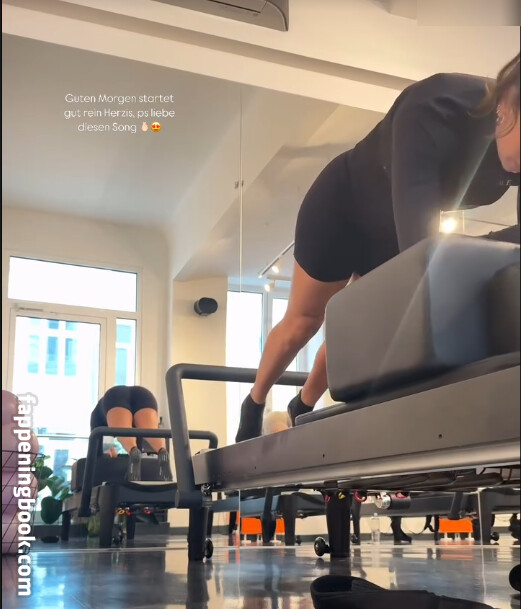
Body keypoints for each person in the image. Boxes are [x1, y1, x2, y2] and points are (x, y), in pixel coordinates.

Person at [235, 53, 520, 443]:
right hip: (342, 206)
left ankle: (302, 405)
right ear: (506, 103)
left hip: (392, 229)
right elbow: (422, 255)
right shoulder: (434, 105)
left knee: (356, 325)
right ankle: (254, 401)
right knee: (304, 321)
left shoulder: (512, 145)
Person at [90, 385, 172, 482]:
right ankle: (162, 450)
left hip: (115, 397)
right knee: (151, 433)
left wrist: (110, 456)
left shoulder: (96, 417)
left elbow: (97, 455)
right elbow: (138, 451)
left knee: (123, 433)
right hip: (144, 395)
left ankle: (131, 449)